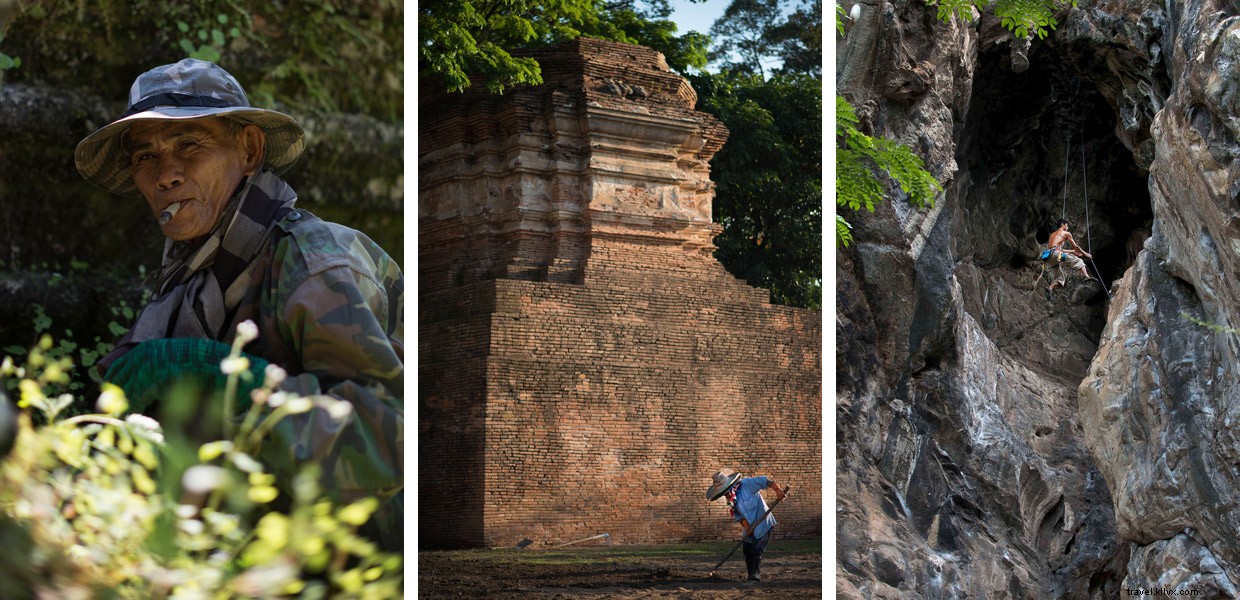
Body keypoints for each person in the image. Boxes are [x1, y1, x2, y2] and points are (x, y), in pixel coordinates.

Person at [73, 59, 403, 550]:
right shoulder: (189, 276)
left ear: (248, 150)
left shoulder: (313, 262)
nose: (166, 174)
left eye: (189, 145)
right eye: (146, 157)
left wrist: (226, 377)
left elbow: (386, 447)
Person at [706, 469, 787, 582]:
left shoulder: (747, 484)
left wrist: (778, 490)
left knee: (756, 548)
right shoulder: (731, 499)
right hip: (750, 525)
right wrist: (747, 527)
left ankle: (755, 575)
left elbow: (766, 481)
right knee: (747, 549)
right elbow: (739, 516)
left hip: (762, 521)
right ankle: (750, 575)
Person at [1044, 218, 1093, 295]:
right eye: (1067, 225)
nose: (1068, 227)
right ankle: (1086, 277)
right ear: (1062, 224)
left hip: (1049, 257)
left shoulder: (1052, 235)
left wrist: (1073, 252)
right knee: (1078, 261)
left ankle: (1050, 288)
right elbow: (1076, 247)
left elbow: (1056, 249)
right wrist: (1085, 254)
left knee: (1060, 279)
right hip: (1057, 254)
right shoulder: (1066, 233)